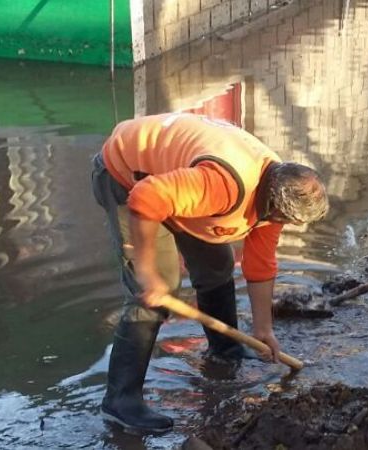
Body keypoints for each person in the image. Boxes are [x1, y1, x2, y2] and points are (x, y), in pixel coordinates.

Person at [90, 113, 329, 434]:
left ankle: (224, 348)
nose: (288, 227)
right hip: (126, 175)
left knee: (217, 264)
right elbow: (146, 198)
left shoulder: (274, 188)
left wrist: (263, 330)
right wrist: (148, 274)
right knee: (156, 294)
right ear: (275, 206)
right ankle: (120, 401)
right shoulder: (224, 185)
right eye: (290, 221)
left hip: (172, 182)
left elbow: (260, 263)